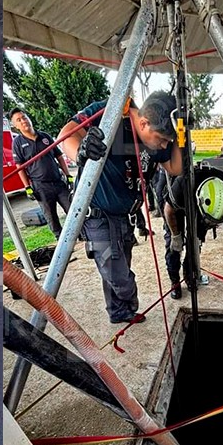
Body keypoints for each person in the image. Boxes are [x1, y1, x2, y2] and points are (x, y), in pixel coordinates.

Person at [60, 91, 184, 324]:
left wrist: (181, 134)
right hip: (98, 216)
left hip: (122, 216)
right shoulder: (113, 112)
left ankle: (119, 313)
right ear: (144, 123)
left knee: (119, 263)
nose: (164, 144)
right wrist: (82, 151)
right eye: (162, 138)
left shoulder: (158, 136)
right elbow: (67, 134)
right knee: (118, 275)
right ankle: (129, 302)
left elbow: (175, 167)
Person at [9, 108, 74, 238]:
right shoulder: (17, 143)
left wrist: (68, 176)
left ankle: (82, 235)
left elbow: (59, 157)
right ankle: (62, 244)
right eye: (19, 120)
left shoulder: (45, 136)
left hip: (58, 182)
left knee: (72, 211)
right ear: (15, 126)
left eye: (24, 117)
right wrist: (27, 187)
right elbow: (19, 167)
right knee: (51, 218)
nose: (23, 121)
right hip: (41, 187)